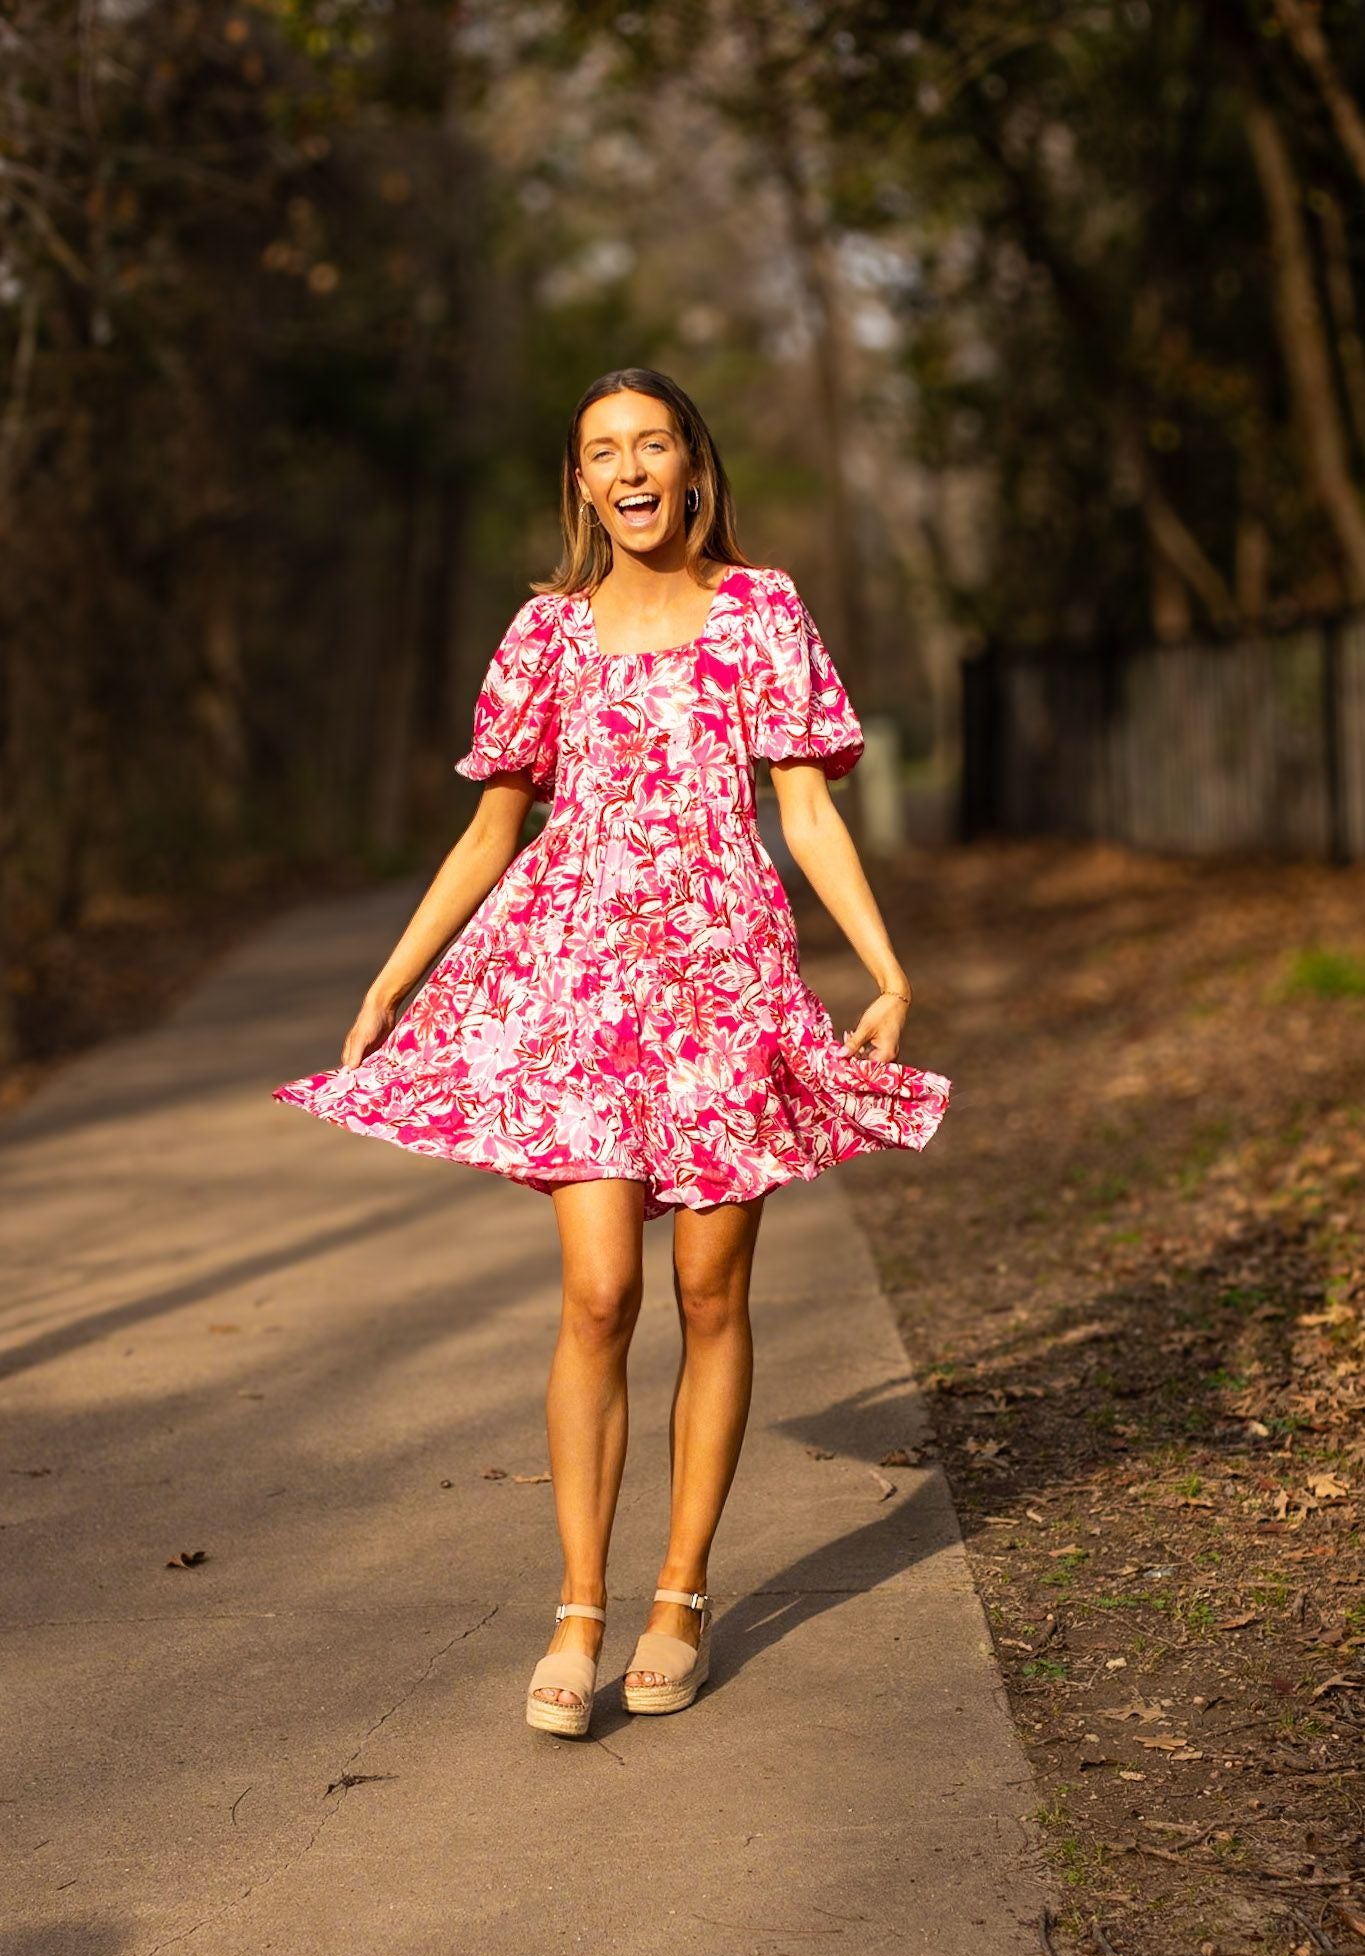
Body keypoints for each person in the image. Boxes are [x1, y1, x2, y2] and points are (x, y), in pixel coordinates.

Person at [272, 366, 951, 1738]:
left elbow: (805, 815)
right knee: (597, 1293)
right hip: (578, 983)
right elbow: (488, 834)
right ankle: (577, 1606)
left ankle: (678, 1595)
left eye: (652, 444)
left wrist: (883, 966)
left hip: (721, 979)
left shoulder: (761, 611)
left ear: (692, 466)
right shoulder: (543, 634)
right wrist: (390, 983)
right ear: (579, 484)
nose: (629, 469)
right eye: (602, 452)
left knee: (709, 1289)